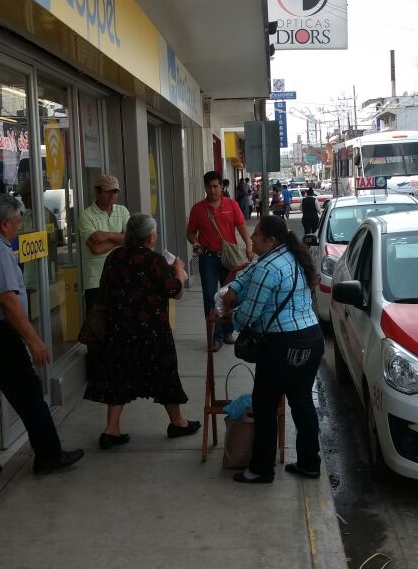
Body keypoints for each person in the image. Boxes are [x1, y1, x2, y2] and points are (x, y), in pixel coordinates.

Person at [0, 194, 84, 478]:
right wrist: (33, 339)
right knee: (28, 394)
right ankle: (49, 454)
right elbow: (8, 300)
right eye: (16, 221)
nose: (18, 227)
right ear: (4, 223)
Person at [219, 215, 325, 484]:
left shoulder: (268, 268)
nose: (251, 238)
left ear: (271, 240)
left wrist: (227, 314)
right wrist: (236, 288)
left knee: (264, 406)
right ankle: (310, 463)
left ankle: (261, 469)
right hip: (311, 339)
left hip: (281, 345)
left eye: (256, 235)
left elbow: (249, 315)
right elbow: (247, 274)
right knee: (302, 402)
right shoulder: (291, 256)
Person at [84, 213, 201, 449]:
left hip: (119, 329)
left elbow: (104, 290)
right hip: (152, 332)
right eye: (155, 231)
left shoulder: (115, 256)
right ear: (149, 237)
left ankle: (111, 429)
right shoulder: (155, 261)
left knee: (119, 375)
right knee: (164, 373)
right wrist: (178, 270)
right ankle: (177, 422)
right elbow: (175, 291)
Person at [186, 170, 252, 352]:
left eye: (216, 186)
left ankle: (227, 331)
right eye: (210, 186)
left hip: (228, 258)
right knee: (209, 296)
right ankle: (214, 337)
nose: (213, 190)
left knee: (229, 295)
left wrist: (248, 246)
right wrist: (196, 242)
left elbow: (241, 226)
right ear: (205, 188)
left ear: (221, 187)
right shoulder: (198, 209)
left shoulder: (231, 205)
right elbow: (190, 232)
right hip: (208, 258)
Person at [78, 174, 130, 307]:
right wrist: (120, 238)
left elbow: (131, 238)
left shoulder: (122, 211)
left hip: (121, 276)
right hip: (95, 281)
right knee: (97, 324)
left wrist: (107, 236)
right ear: (97, 191)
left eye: (115, 191)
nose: (112, 195)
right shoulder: (86, 216)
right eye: (108, 191)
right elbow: (96, 249)